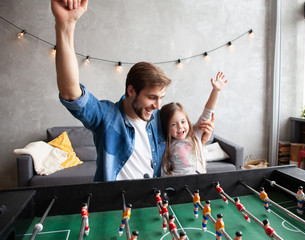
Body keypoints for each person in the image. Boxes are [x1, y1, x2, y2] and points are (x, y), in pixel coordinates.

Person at [50, 0, 214, 181]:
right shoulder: (107, 116)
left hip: (154, 201)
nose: (158, 106)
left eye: (161, 98)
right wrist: (65, 26)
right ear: (131, 90)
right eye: (152, 97)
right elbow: (71, 93)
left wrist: (200, 141)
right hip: (114, 203)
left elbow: (181, 146)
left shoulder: (160, 119)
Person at [160, 72, 227, 175]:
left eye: (183, 122)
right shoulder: (167, 143)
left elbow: (207, 112)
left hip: (199, 179)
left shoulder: (195, 134)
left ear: (188, 121)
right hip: (178, 183)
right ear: (167, 127)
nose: (180, 127)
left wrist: (216, 91)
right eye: (174, 124)